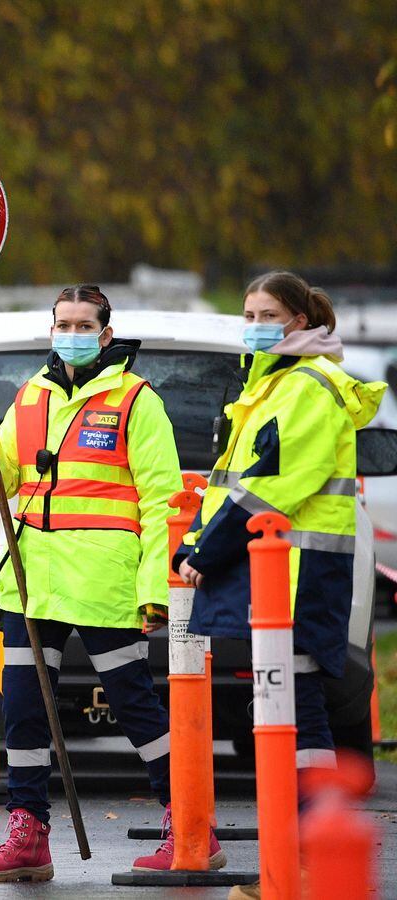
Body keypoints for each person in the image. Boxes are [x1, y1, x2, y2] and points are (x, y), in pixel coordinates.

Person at [0, 285, 222, 883]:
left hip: (105, 582)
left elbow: (161, 500)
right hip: (32, 580)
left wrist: (153, 589)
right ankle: (27, 833)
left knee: (134, 704)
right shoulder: (30, 395)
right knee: (24, 710)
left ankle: (190, 827)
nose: (70, 334)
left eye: (83, 325)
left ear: (105, 334)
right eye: (62, 323)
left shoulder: (135, 401)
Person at [173, 271, 384, 900]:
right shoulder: (273, 385)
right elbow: (231, 482)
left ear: (300, 321)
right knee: (286, 715)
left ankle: (308, 859)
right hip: (273, 572)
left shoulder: (308, 389)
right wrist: (194, 541)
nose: (255, 324)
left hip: (293, 574)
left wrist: (205, 551)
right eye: (248, 313)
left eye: (267, 314)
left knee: (299, 715)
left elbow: (275, 486)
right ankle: (297, 860)